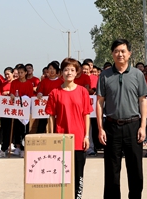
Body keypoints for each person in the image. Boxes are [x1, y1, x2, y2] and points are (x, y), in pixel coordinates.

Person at [96, 39, 147, 199]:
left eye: (123, 51)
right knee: (111, 170)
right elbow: (99, 102)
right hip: (111, 127)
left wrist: (143, 126)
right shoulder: (105, 75)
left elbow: (143, 101)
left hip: (133, 126)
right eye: (116, 51)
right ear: (112, 54)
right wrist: (100, 128)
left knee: (135, 170)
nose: (120, 54)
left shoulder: (137, 74)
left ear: (129, 54)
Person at [46, 58, 93, 199]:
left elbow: (86, 115)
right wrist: (51, 137)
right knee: (61, 175)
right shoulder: (55, 92)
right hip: (61, 139)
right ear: (61, 72)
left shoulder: (83, 92)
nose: (69, 72)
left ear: (77, 73)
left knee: (78, 174)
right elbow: (51, 116)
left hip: (79, 139)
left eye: (72, 70)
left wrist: (86, 136)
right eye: (66, 69)